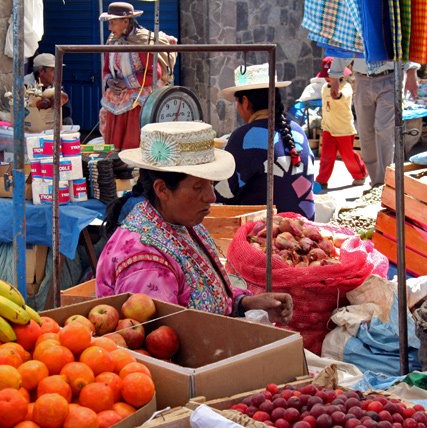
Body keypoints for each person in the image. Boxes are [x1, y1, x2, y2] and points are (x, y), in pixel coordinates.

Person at [96, 121, 293, 324]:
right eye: (198, 186)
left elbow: (203, 295)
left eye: (211, 184)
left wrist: (245, 303)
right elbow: (162, 341)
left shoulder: (181, 222)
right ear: (162, 189)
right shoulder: (146, 264)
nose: (211, 196)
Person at [215, 63, 315, 219]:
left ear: (245, 102)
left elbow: (223, 191)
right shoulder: (297, 129)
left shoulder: (245, 137)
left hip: (265, 233)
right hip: (305, 227)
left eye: (237, 102)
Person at [328, 57, 419, 186]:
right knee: (366, 133)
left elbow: (405, 41)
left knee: (384, 130)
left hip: (390, 78)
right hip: (362, 80)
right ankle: (375, 181)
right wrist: (335, 77)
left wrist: (411, 71)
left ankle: (383, 182)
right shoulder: (357, 35)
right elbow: (344, 45)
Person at [98, 2, 177, 151]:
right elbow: (106, 68)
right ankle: (116, 159)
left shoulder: (142, 41)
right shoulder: (113, 41)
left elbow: (155, 73)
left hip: (140, 92)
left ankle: (131, 159)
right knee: (109, 111)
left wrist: (125, 83)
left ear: (126, 21)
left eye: (113, 23)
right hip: (118, 92)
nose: (109, 28)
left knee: (134, 111)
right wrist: (110, 81)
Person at [315, 57, 368, 192]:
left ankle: (360, 174)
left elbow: (342, 97)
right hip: (328, 128)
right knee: (326, 157)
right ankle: (322, 180)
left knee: (348, 156)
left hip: (344, 130)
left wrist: (337, 95)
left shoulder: (347, 87)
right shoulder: (324, 89)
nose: (329, 80)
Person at [24, 53, 72, 125]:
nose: (57, 74)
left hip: (50, 121)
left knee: (67, 120)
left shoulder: (56, 86)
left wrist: (55, 102)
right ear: (41, 71)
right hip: (32, 122)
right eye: (53, 70)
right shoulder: (25, 85)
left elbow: (67, 111)